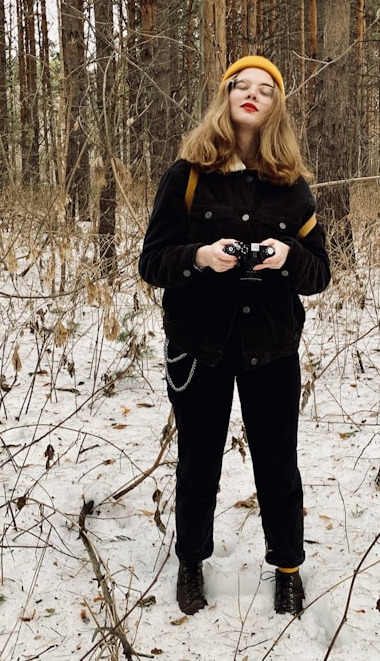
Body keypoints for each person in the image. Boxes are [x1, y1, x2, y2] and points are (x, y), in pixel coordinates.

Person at [138, 55, 331, 616]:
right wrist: (200, 256)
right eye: (240, 86)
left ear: (276, 108)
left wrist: (287, 257)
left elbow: (319, 274)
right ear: (225, 99)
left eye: (265, 89)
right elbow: (152, 262)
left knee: (277, 462)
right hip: (200, 344)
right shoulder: (188, 176)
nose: (251, 94)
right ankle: (191, 563)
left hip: (270, 346)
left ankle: (288, 567)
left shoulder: (292, 188)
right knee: (198, 460)